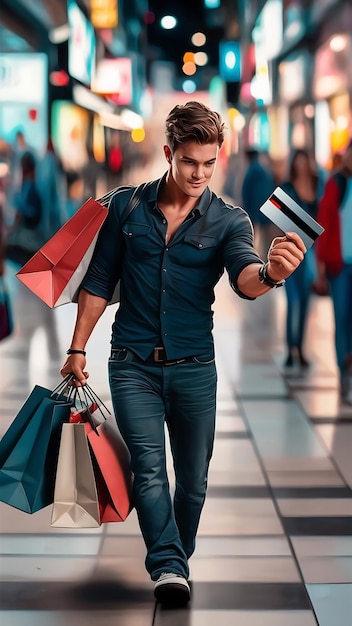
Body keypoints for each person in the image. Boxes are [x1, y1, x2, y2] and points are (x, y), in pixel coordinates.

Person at [59, 101, 306, 606]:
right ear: (169, 153)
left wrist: (273, 274)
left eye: (209, 163)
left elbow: (244, 277)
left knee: (193, 483)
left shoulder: (229, 221)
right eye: (190, 161)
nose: (199, 173)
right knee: (149, 468)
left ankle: (176, 559)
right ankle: (168, 566)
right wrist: (77, 346)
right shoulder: (126, 208)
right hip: (132, 364)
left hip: (195, 368)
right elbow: (100, 281)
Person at [315, 140, 352, 403]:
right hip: (340, 265)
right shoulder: (335, 184)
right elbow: (324, 226)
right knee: (341, 319)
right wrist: (320, 267)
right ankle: (344, 370)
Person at [281, 149, 320, 368]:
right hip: (290, 251)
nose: (303, 166)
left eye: (306, 161)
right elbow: (281, 221)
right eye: (299, 161)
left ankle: (301, 348)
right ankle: (290, 348)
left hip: (311, 255)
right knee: (293, 301)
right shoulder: (287, 188)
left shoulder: (317, 184)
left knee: (305, 303)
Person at [241, 148, 276, 259]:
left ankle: (257, 261)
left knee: (253, 240)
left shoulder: (250, 171)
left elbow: (245, 193)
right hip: (267, 211)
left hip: (254, 212)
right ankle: (268, 260)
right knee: (266, 240)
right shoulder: (265, 171)